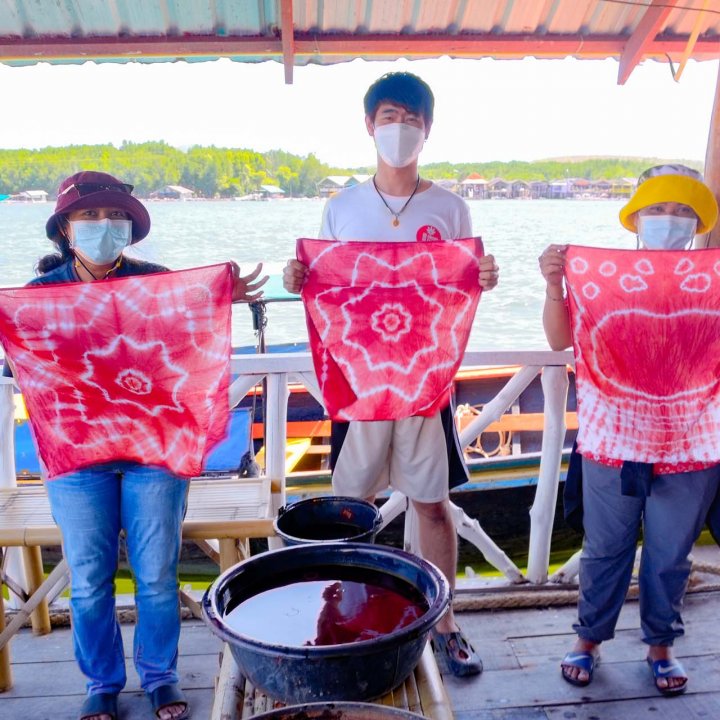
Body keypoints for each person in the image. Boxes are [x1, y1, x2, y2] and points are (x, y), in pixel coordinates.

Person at [16, 171, 267, 720]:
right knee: (88, 581)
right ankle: (100, 683)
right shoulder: (36, 297)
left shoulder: (158, 282)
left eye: (114, 216)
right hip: (77, 454)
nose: (103, 226)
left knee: (156, 575)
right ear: (64, 228)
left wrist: (221, 296)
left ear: (130, 227)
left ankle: (160, 676)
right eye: (90, 217)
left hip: (155, 447)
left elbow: (190, 340)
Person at [283, 72, 499, 678]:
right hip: (357, 384)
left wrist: (482, 278)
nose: (398, 127)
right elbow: (322, 282)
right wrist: (298, 279)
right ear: (368, 125)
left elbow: (461, 286)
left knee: (433, 506)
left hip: (426, 384)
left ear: (427, 129)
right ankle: (347, 617)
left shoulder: (449, 207)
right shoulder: (341, 206)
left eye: (410, 117)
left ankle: (445, 621)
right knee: (351, 507)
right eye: (388, 116)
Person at [538, 164, 720, 696]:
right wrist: (555, 284)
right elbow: (558, 341)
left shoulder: (713, 282)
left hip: (693, 438)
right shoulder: (602, 276)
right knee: (605, 548)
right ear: (635, 216)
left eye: (684, 210)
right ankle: (589, 638)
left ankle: (662, 643)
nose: (670, 219)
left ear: (700, 223)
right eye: (659, 208)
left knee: (670, 554)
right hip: (614, 436)